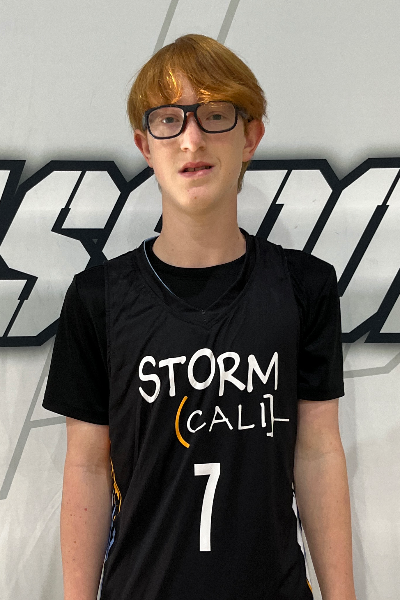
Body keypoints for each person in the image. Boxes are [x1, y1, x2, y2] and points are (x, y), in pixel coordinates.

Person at [43, 34, 357, 600]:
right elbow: (86, 467)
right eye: (169, 120)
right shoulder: (99, 298)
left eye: (215, 115)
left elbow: (317, 451)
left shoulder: (303, 287)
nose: (191, 138)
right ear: (145, 144)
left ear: (250, 136)